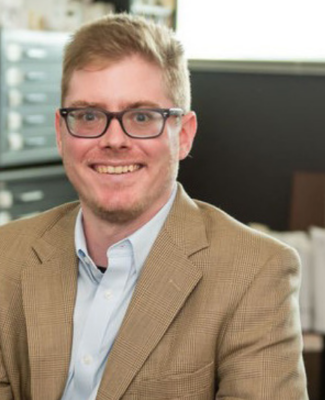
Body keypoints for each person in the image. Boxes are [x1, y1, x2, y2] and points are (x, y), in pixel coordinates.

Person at [0, 13, 308, 400]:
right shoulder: (6, 256)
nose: (113, 139)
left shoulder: (256, 274)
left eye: (142, 116)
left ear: (184, 135)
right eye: (89, 115)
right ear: (61, 134)